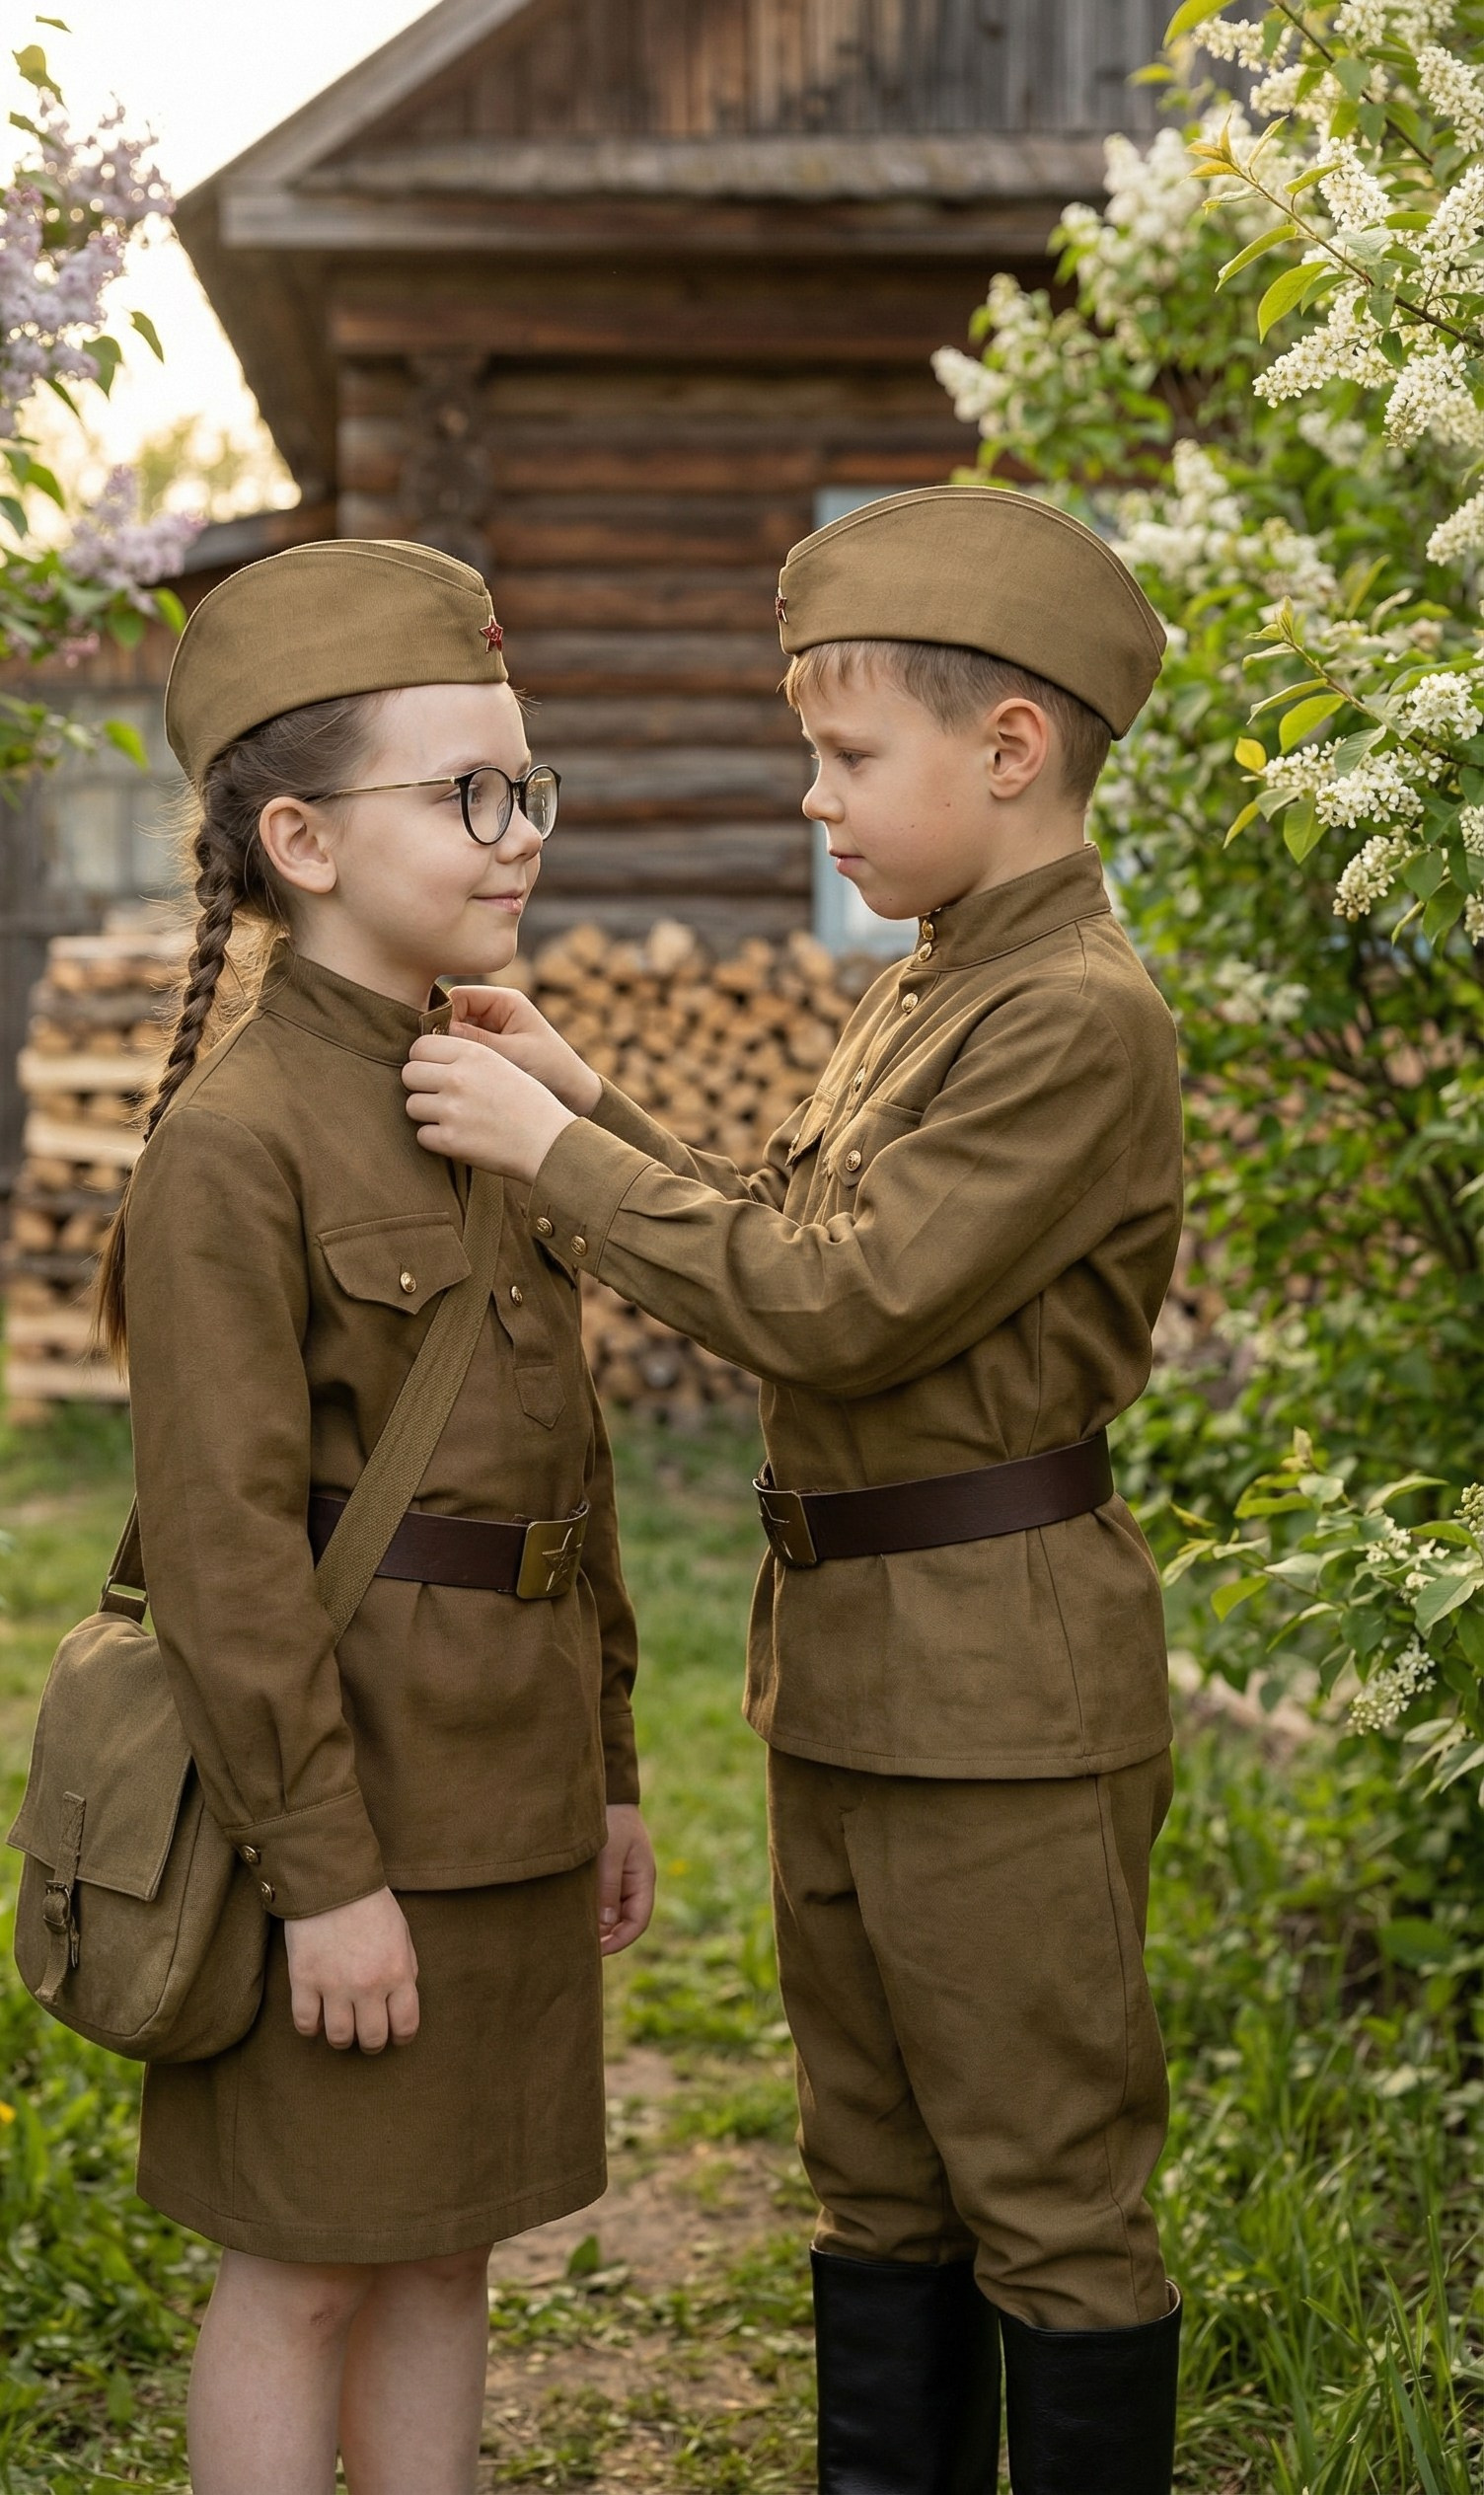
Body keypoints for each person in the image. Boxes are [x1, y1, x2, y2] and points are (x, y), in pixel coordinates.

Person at [401, 487, 1186, 2494]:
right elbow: (789, 1210)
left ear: (1007, 752)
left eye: (846, 755)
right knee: (873, 2180)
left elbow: (837, 1301)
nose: (814, 801)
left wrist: (550, 1164)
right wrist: (593, 1099)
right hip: (853, 1674)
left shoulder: (1071, 1017)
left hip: (999, 1700)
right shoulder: (930, 980)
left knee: (1045, 2191)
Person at [96, 539, 653, 2495]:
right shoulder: (234, 1145)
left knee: (441, 2240)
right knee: (303, 2266)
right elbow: (224, 1558)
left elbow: (554, 1473)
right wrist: (320, 1873)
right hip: (333, 1818)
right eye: (463, 793)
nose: (514, 835)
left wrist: (606, 1765)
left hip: (501, 1795)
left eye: (528, 789)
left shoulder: (474, 1080)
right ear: (302, 841)